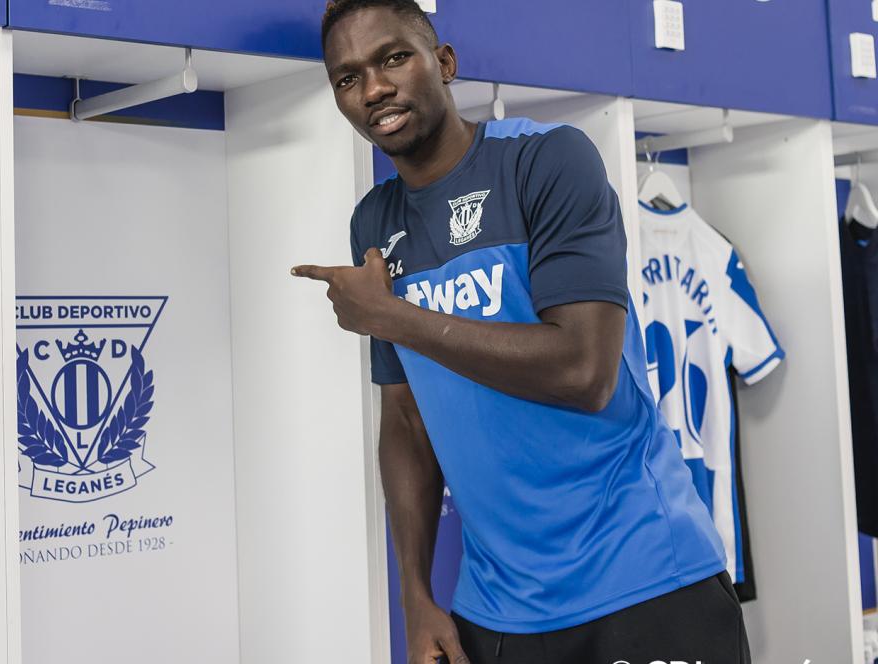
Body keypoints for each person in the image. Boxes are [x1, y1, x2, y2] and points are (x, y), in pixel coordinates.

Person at [291, 1, 752, 662]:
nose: (374, 89)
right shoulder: (375, 223)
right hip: (499, 609)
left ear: (444, 63)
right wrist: (416, 595)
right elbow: (407, 418)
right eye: (347, 78)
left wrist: (391, 316)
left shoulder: (546, 160)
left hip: (644, 577)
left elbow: (584, 370)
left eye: (393, 58)